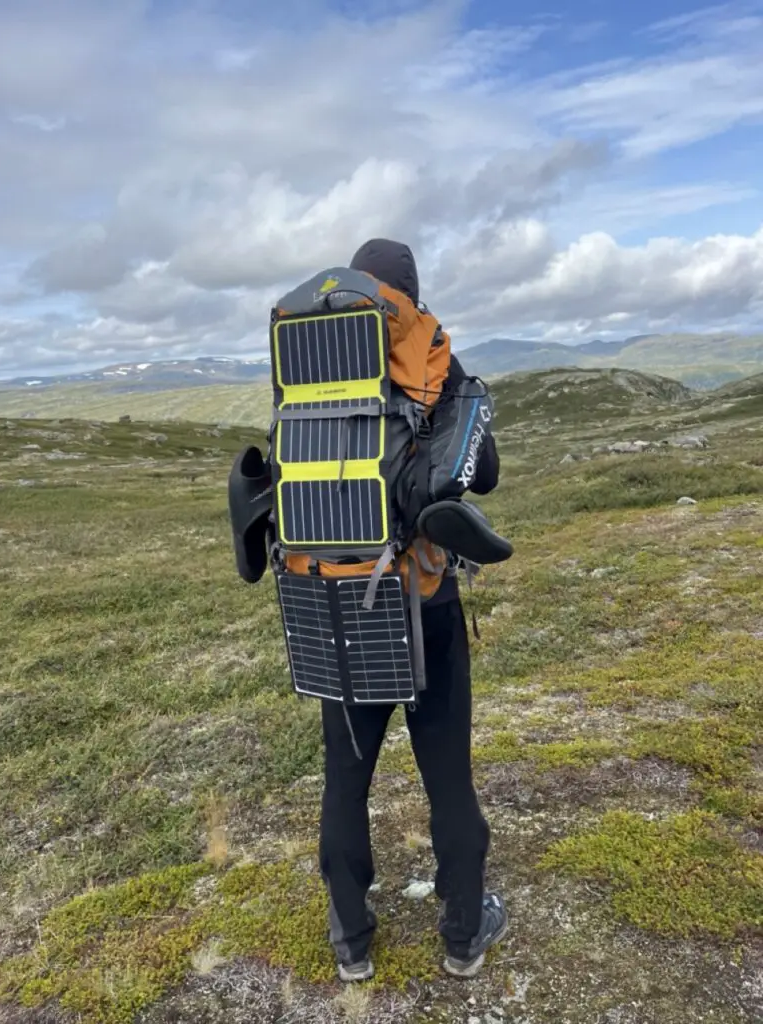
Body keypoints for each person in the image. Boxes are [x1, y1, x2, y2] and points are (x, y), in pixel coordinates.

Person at [319, 238, 508, 983]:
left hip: (333, 604)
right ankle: (464, 932)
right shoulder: (433, 360)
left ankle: (351, 942)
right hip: (423, 601)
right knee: (447, 775)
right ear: (411, 292)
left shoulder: (316, 359)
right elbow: (483, 475)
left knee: (346, 776)